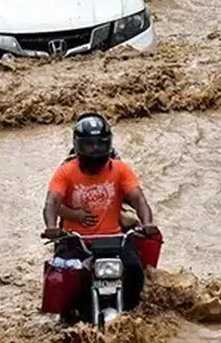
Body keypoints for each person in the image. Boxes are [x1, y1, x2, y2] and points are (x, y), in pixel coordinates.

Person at [43, 112, 159, 320]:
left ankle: (131, 316)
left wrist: (147, 223)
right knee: (66, 280)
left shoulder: (121, 169)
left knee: (134, 270)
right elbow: (52, 202)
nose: (95, 151)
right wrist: (52, 228)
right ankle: (70, 317)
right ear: (78, 145)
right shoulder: (65, 171)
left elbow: (139, 199)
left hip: (115, 240)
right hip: (75, 242)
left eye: (100, 144)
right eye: (89, 145)